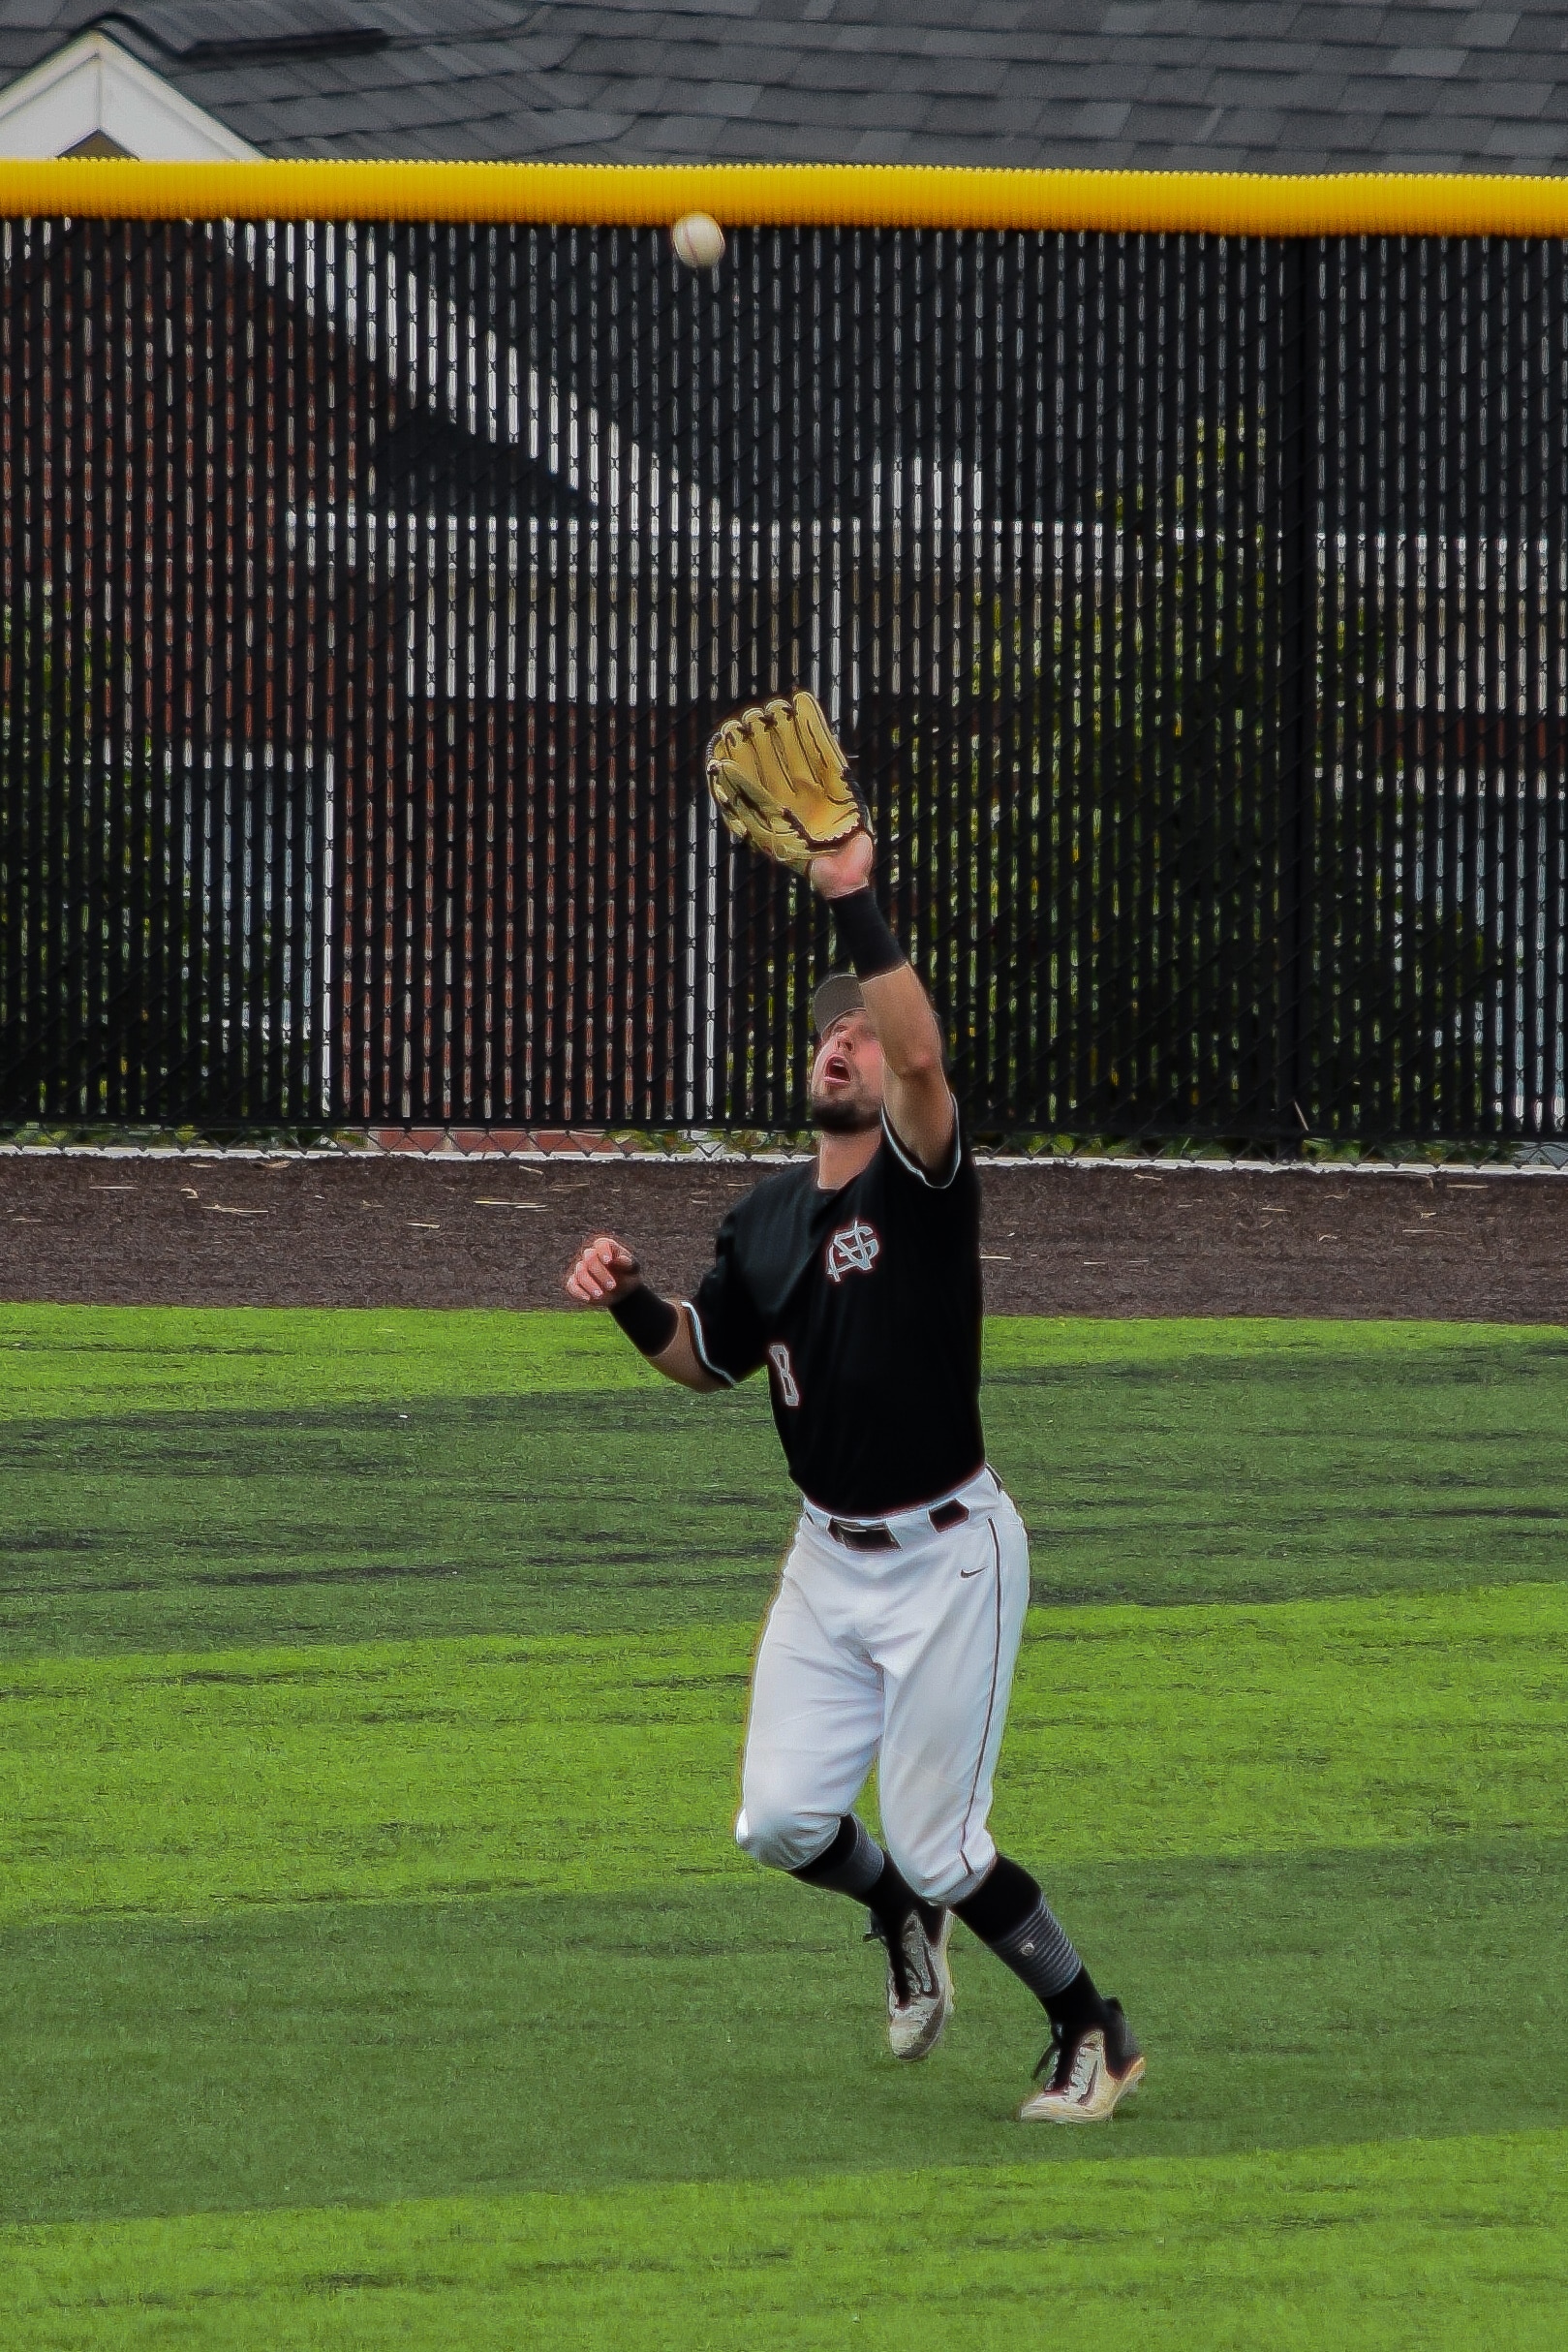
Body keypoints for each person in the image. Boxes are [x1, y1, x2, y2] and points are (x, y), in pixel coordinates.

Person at [565, 821, 1144, 2121]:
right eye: (830, 1032)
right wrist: (625, 1298)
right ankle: (897, 1919)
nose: (843, 1042)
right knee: (776, 1822)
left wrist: (851, 894)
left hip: (952, 1556)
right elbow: (705, 1360)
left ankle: (1088, 2026)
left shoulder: (926, 1187)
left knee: (947, 1835)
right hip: (826, 1561)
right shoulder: (763, 1218)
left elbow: (929, 1054)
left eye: (863, 1033)